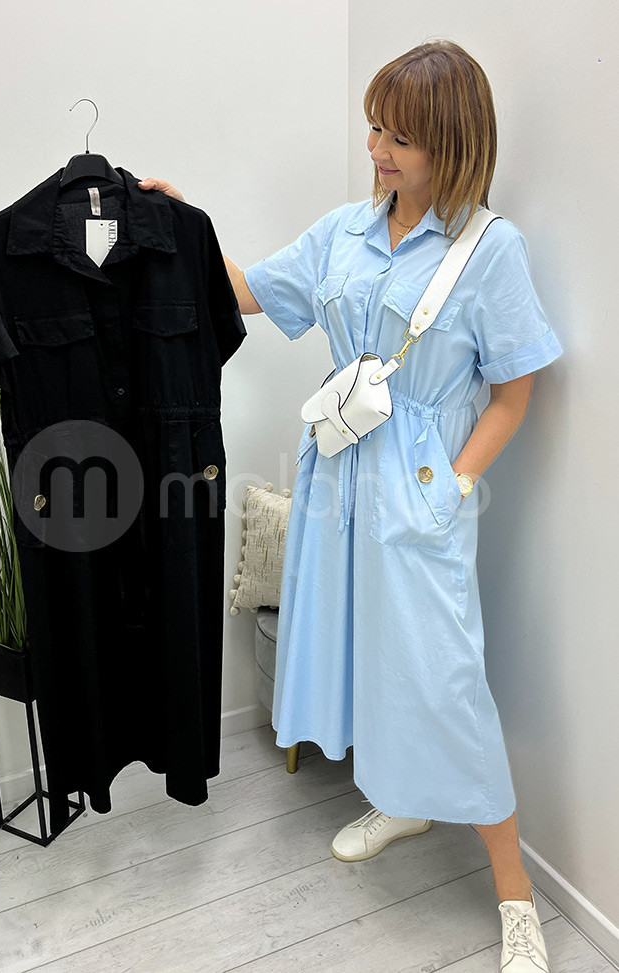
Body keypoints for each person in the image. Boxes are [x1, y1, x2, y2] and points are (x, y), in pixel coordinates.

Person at [138, 39, 561, 972]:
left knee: (445, 675)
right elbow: (247, 291)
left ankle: (517, 898)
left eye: (399, 137)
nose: (376, 148)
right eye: (373, 127)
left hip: (419, 486)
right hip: (336, 472)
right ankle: (400, 800)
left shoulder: (490, 251)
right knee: (364, 645)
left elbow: (516, 391)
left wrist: (452, 486)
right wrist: (179, 225)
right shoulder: (345, 231)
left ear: (452, 143)